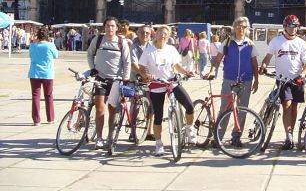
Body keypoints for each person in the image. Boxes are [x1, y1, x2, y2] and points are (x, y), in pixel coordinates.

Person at [138, 25, 195, 156]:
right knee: (158, 115)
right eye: (160, 33)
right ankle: (158, 143)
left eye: (166, 34)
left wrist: (186, 72)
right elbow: (141, 67)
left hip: (171, 82)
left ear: (168, 36)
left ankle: (189, 128)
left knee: (189, 106)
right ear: (156, 34)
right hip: (156, 85)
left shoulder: (171, 49)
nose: (163, 35)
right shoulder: (149, 50)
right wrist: (146, 76)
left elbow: (176, 66)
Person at [259, 15, 306, 151]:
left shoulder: (301, 43)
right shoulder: (276, 41)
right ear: (285, 27)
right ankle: (288, 137)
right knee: (286, 106)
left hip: (297, 80)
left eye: (295, 26)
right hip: (282, 80)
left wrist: (303, 74)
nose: (293, 29)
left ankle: (290, 134)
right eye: (290, 26)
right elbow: (268, 57)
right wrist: (263, 65)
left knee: (294, 108)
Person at [206, 16, 259, 146]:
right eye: (238, 26)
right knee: (225, 108)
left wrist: (256, 80)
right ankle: (218, 137)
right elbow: (218, 59)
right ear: (234, 27)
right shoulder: (227, 42)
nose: (241, 29)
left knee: (242, 109)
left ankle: (236, 137)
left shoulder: (250, 44)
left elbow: (254, 63)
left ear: (247, 29)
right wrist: (212, 70)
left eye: (243, 27)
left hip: (245, 80)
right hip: (229, 79)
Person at [87, 17, 132, 149]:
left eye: (112, 26)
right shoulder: (98, 39)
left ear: (117, 28)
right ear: (104, 27)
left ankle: (110, 137)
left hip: (116, 80)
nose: (110, 28)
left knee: (112, 110)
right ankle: (99, 138)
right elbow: (89, 54)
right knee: (100, 108)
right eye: (107, 26)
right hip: (100, 79)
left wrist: (125, 78)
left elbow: (127, 61)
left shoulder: (121, 42)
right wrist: (92, 68)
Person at [28, 28, 58, 125]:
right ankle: (50, 118)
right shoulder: (50, 45)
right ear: (47, 36)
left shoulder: (33, 45)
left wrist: (34, 42)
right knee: (48, 95)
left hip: (35, 73)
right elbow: (56, 55)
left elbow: (31, 56)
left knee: (35, 96)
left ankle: (36, 120)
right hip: (47, 73)